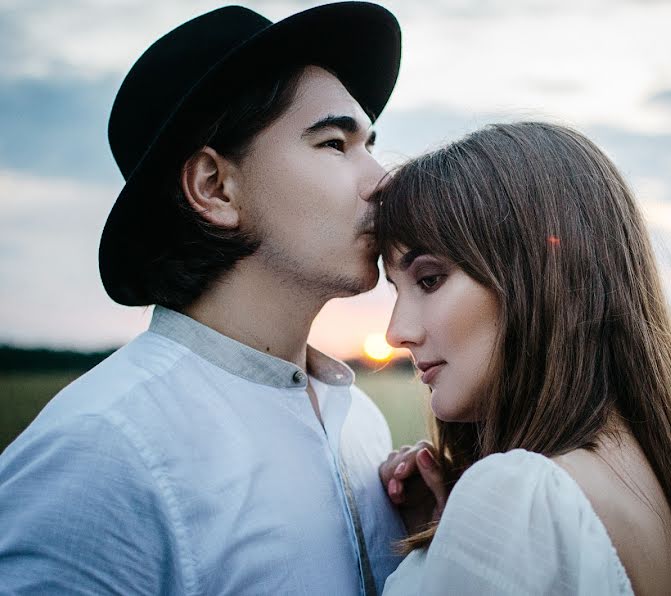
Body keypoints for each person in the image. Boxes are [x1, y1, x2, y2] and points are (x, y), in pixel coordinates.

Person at [0, 4, 406, 594]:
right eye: (334, 143)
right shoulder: (101, 455)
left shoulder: (360, 424)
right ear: (215, 188)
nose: (383, 177)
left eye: (370, 144)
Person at [374, 122, 671, 595]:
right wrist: (447, 543)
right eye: (396, 289)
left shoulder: (521, 498)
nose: (396, 333)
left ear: (537, 276)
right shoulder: (652, 485)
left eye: (429, 280)